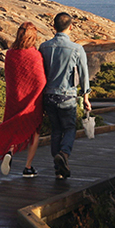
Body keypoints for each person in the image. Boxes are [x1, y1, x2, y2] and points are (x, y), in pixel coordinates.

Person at [0, 22, 47, 177]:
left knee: (14, 124)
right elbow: (41, 80)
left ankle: (10, 151)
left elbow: (9, 75)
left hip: (14, 96)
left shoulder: (11, 54)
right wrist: (37, 94)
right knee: (35, 130)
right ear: (33, 37)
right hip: (32, 99)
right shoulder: (35, 55)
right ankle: (28, 167)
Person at [39, 12, 91, 179]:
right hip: (67, 96)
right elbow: (84, 75)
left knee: (55, 130)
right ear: (71, 27)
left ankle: (58, 168)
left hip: (48, 95)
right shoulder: (77, 49)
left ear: (53, 27)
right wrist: (86, 98)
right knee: (69, 128)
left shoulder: (44, 47)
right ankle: (64, 154)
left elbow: (40, 73)